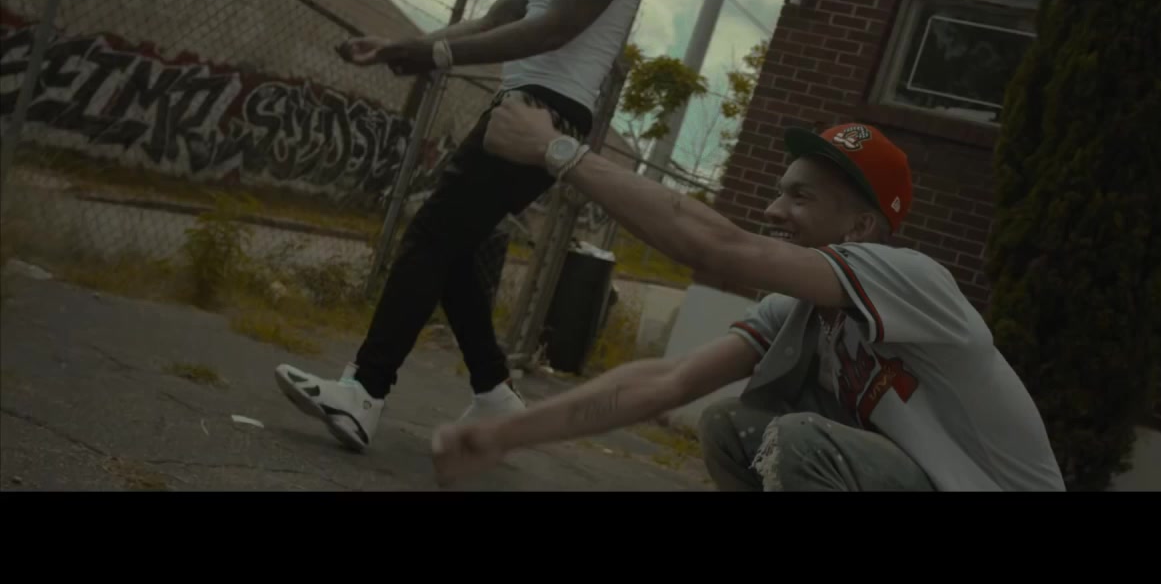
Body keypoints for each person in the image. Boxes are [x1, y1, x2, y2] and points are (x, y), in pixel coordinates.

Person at [428, 103, 1067, 491]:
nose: (773, 210)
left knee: (799, 441)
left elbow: (719, 248)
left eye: (800, 197)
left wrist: (557, 151)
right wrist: (508, 433)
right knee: (732, 427)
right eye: (779, 191)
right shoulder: (800, 313)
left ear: (861, 228)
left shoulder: (912, 281)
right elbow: (668, 381)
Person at [274, 0, 643, 453]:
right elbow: (492, 20)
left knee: (430, 237)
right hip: (523, 105)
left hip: (547, 111)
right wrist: (402, 46)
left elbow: (556, 28)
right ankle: (494, 392)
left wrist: (437, 54)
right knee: (452, 248)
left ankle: (364, 392)